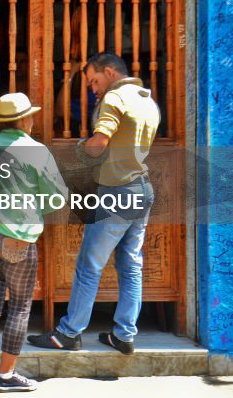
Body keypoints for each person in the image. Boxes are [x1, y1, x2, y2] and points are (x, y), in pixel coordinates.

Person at [28, 52, 160, 355]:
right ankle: (124, 334)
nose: (92, 88)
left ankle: (68, 333)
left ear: (110, 72)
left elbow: (99, 143)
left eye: (94, 80)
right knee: (131, 266)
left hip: (116, 191)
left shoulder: (116, 100)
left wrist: (78, 149)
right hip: (142, 189)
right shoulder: (147, 102)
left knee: (89, 265)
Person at [0, 93, 67, 392]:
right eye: (31, 116)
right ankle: (6, 376)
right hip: (16, 238)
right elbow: (57, 197)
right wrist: (34, 209)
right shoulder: (37, 151)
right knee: (21, 306)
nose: (33, 120)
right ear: (23, 120)